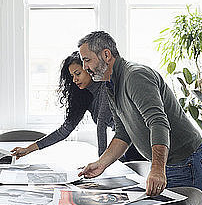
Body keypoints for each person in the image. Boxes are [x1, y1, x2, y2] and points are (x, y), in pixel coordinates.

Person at [77, 31, 202, 205]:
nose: (85, 68)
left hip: (187, 162)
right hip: (171, 163)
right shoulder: (111, 85)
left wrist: (157, 169)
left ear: (106, 55)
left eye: (87, 60)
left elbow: (158, 123)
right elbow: (123, 134)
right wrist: (102, 164)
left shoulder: (135, 76)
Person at [11, 51, 145, 161]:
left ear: (88, 69)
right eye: (72, 76)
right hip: (125, 141)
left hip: (139, 138)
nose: (74, 79)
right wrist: (28, 149)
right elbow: (64, 130)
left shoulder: (106, 86)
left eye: (78, 73)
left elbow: (101, 124)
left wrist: (101, 163)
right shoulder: (84, 96)